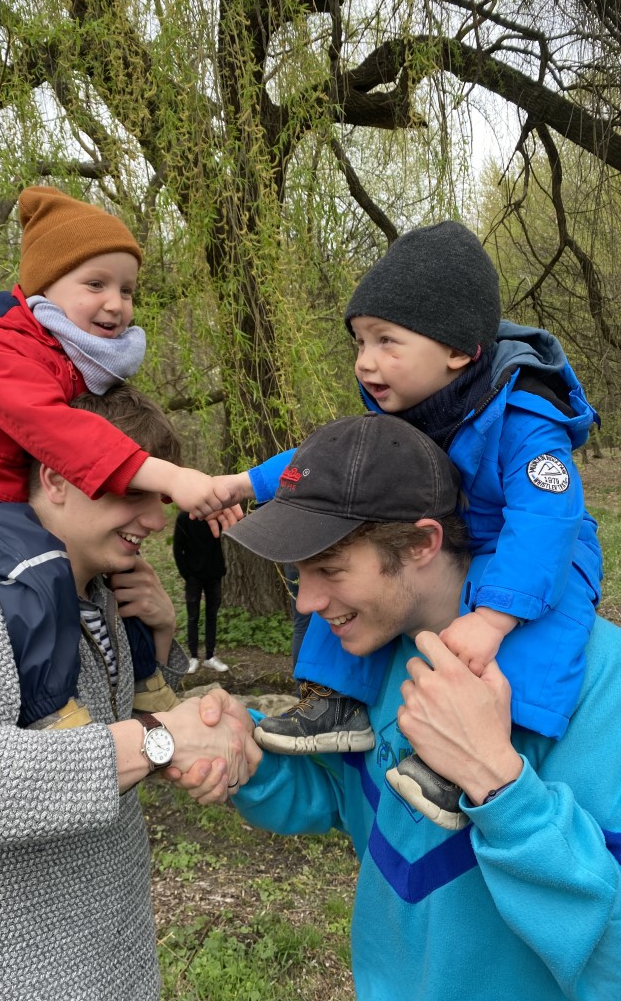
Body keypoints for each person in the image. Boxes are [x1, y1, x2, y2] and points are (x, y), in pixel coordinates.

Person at [174, 412, 621, 1001]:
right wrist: (251, 757)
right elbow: (352, 801)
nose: (307, 601)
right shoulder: (377, 649)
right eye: (298, 573)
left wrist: (496, 783)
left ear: (421, 542)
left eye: (330, 569)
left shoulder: (595, 682)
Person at [0, 385, 261, 1001]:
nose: (158, 521)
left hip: (118, 959)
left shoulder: (107, 596)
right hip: (13, 982)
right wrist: (157, 741)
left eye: (159, 497)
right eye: (132, 492)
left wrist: (159, 646)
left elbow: (106, 739)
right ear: (56, 478)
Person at [212, 221, 602, 828]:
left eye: (387, 341)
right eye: (359, 341)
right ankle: (338, 704)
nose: (367, 362)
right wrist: (242, 485)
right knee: (336, 576)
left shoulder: (526, 414)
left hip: (537, 546)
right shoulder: (412, 399)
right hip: (457, 535)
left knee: (543, 632)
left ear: (457, 349)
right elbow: (329, 468)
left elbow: (547, 514)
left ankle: (490, 748)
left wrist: (495, 617)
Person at [0, 185, 235, 731]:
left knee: (119, 581)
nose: (115, 302)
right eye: (95, 283)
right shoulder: (0, 351)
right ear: (42, 291)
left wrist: (162, 641)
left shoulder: (66, 360)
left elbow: (100, 432)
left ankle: (149, 679)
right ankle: (51, 709)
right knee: (42, 570)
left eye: (127, 289)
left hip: (3, 491)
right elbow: (62, 434)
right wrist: (172, 477)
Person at [173, 507, 229, 675]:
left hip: (214, 574)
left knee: (212, 615)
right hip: (193, 577)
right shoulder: (183, 517)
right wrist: (187, 574)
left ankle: (210, 657)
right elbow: (178, 548)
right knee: (193, 616)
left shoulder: (216, 516)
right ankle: (193, 657)